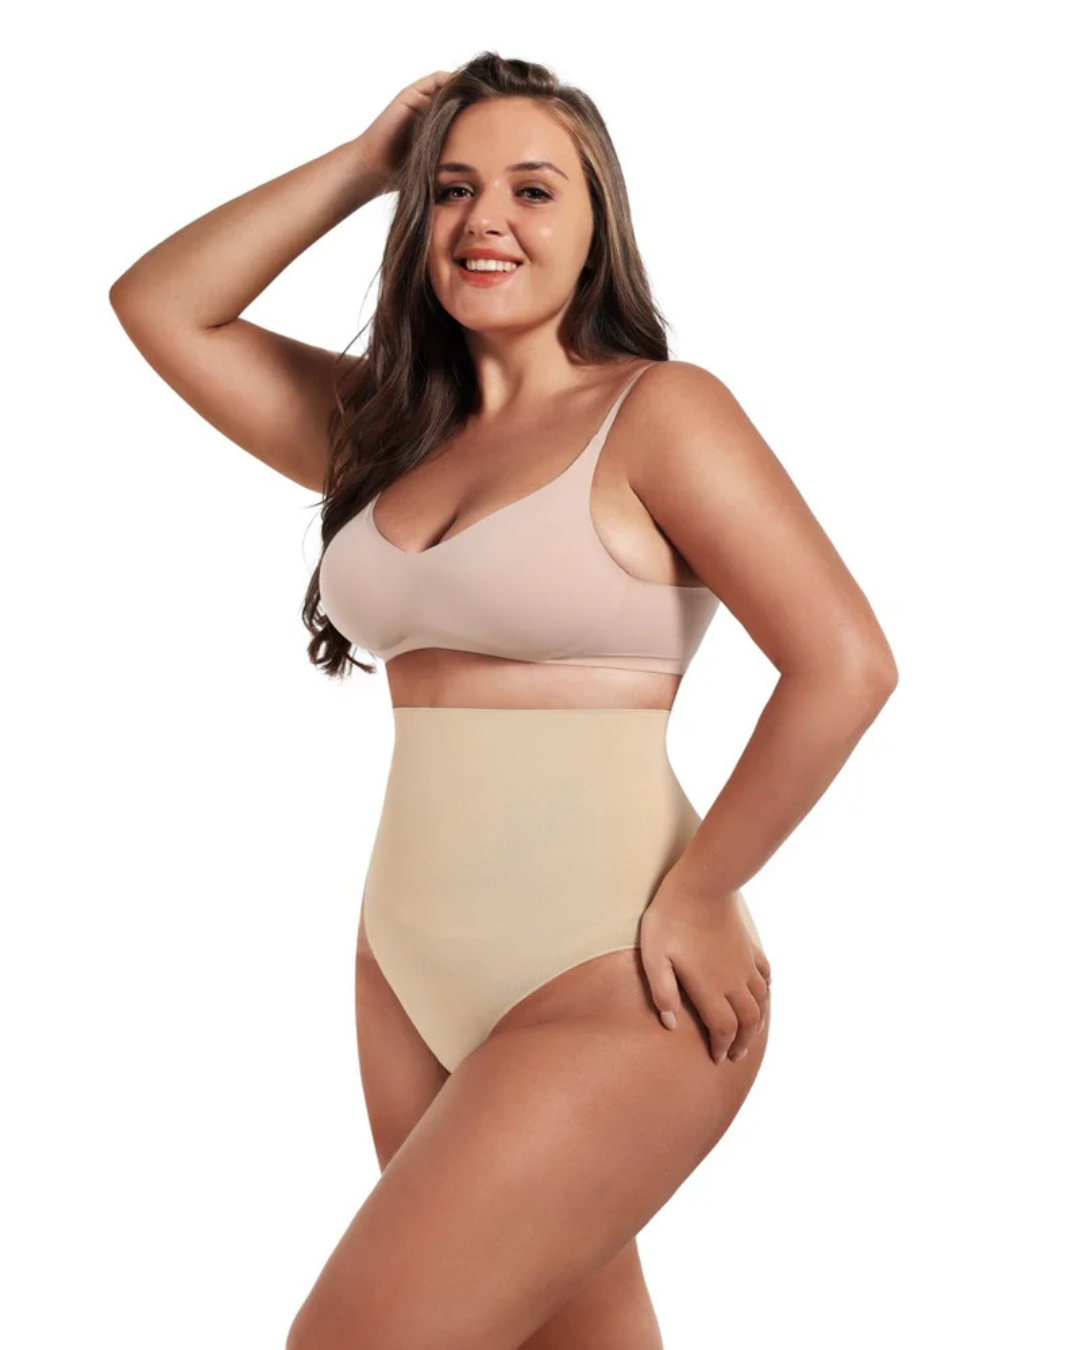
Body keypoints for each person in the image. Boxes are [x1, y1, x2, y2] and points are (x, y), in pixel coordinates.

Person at [110, 50, 898, 1350]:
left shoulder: (660, 414)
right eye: (454, 189)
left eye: (534, 190)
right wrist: (368, 165)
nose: (487, 220)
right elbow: (161, 307)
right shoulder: (385, 433)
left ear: (597, 225)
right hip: (405, 965)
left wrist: (705, 891)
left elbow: (847, 663)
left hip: (620, 971)